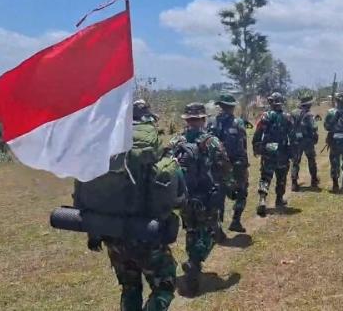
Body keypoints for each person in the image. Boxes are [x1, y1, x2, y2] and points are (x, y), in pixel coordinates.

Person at [85, 99, 183, 311]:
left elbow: (94, 190)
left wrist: (95, 232)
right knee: (164, 286)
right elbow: (174, 192)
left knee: (129, 287)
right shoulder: (151, 145)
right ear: (148, 118)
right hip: (145, 233)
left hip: (113, 235)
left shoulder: (109, 145)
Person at [169, 103, 234, 295]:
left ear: (187, 120)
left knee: (191, 229)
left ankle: (192, 260)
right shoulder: (210, 141)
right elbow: (224, 164)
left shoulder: (176, 141)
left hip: (183, 197)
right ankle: (195, 261)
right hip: (206, 195)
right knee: (212, 231)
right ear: (203, 119)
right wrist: (230, 186)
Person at [207, 94, 249, 233]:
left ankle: (217, 227)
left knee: (218, 195)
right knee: (242, 191)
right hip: (235, 164)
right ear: (232, 107)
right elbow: (243, 146)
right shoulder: (238, 123)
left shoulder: (211, 122)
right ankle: (235, 221)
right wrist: (245, 165)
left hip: (216, 165)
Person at [252, 92, 295, 217]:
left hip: (269, 148)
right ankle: (279, 199)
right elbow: (292, 136)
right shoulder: (287, 117)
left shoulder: (265, 116)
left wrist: (256, 146)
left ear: (271, 102)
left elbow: (258, 132)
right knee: (281, 176)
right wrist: (292, 151)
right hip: (282, 149)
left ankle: (262, 200)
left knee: (265, 176)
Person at [290, 94, 319, 191]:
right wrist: (315, 137)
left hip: (295, 141)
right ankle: (314, 180)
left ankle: (294, 183)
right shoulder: (309, 114)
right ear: (308, 105)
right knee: (311, 160)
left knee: (295, 162)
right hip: (307, 141)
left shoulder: (293, 113)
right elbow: (314, 127)